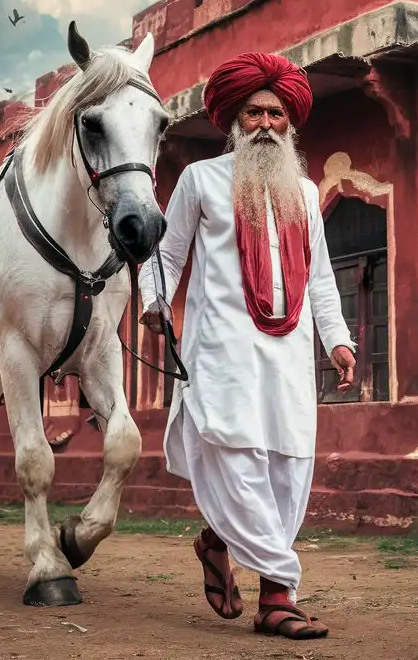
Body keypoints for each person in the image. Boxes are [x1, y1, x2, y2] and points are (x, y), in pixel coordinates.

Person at [136, 51, 356, 641]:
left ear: (291, 123)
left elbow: (320, 276)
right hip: (222, 352)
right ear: (234, 119)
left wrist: (337, 338)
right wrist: (156, 303)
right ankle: (279, 595)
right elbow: (166, 255)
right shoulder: (200, 180)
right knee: (237, 457)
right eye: (254, 113)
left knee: (288, 465)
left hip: (288, 356)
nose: (265, 124)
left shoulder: (306, 194)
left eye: (276, 114)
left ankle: (218, 541)